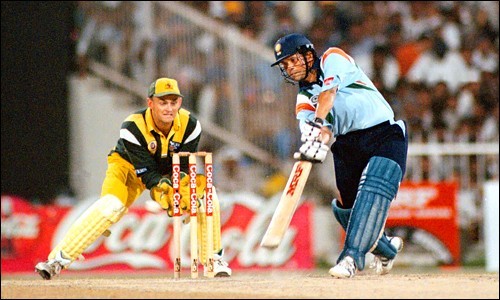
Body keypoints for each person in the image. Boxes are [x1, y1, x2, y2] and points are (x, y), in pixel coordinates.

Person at [35, 77, 231, 279]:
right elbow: (145, 173)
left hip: (167, 171)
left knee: (208, 194)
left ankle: (213, 260)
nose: (169, 108)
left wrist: (180, 191)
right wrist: (164, 192)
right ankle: (57, 260)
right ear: (150, 103)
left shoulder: (191, 126)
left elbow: (182, 165)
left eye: (173, 102)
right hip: (127, 167)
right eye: (163, 102)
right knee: (110, 206)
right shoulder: (132, 127)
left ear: (179, 103)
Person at [270, 33, 408, 278]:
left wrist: (319, 122)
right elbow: (321, 132)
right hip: (347, 144)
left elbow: (328, 95)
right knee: (347, 210)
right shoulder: (303, 99)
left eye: (292, 61)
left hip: (384, 133)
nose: (289, 68)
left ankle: (350, 258)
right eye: (285, 65)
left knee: (373, 190)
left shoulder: (332, 58)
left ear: (308, 54)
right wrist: (317, 140)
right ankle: (386, 249)